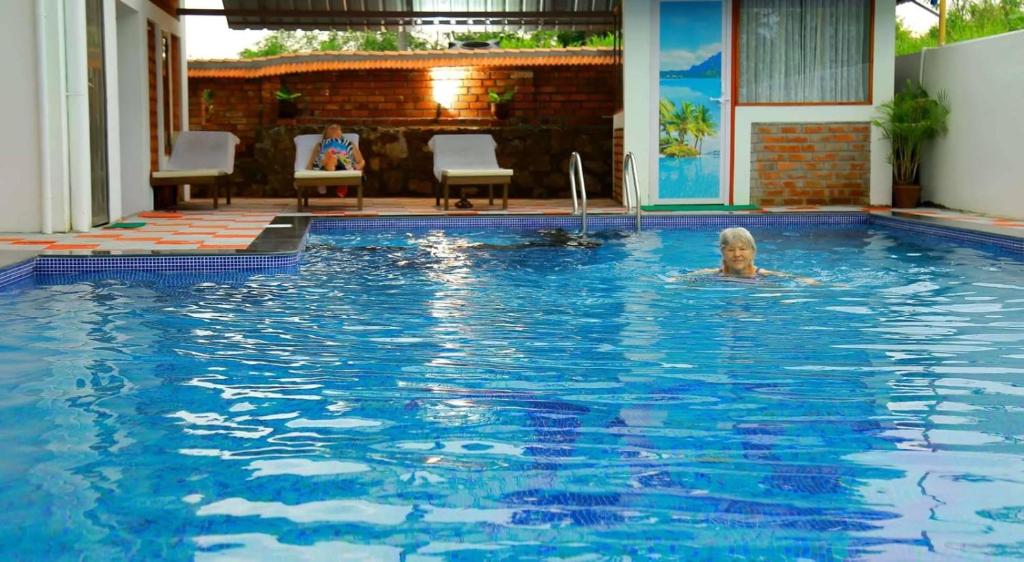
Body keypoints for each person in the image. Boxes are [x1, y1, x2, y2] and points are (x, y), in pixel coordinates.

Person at [688, 227, 818, 284]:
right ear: (722, 252)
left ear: (753, 251)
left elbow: (799, 280)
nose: (737, 254)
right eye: (731, 250)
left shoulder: (764, 276)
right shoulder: (712, 275)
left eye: (742, 249)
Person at [307, 124, 365, 197]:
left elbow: (361, 161)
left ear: (340, 133)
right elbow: (311, 161)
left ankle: (327, 181)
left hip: (344, 164)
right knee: (330, 155)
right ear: (326, 134)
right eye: (331, 128)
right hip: (324, 165)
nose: (334, 130)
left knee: (334, 156)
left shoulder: (349, 144)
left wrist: (358, 167)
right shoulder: (320, 145)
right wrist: (307, 174)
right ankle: (333, 181)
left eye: (336, 128)